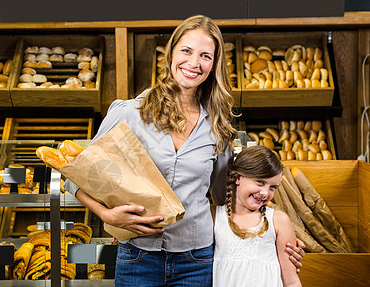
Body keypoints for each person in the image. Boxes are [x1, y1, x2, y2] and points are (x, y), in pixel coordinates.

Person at [65, 14, 304, 286]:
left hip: (198, 259)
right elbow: (74, 176)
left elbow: (226, 196)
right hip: (137, 255)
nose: (194, 63)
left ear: (214, 65)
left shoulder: (218, 125)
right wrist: (107, 214)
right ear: (170, 55)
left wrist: (275, 238)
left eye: (205, 55)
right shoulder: (130, 113)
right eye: (186, 51)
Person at [212, 145, 302, 287]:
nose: (265, 193)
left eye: (272, 187)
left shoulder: (278, 221)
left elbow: (291, 281)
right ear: (237, 177)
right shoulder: (214, 217)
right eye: (260, 182)